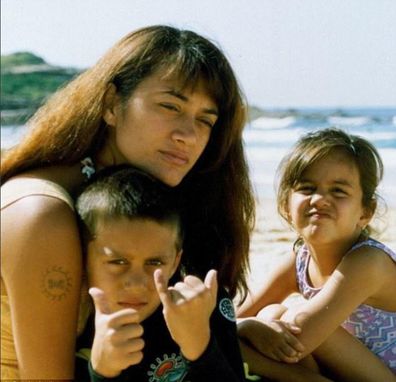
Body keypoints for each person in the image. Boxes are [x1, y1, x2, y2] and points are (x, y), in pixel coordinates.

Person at [0, 25, 255, 380]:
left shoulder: (139, 203)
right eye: (170, 106)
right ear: (110, 105)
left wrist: (236, 334)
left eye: (205, 120)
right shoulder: (41, 213)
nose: (188, 135)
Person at [237, 128, 396, 381]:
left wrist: (250, 329)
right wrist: (246, 326)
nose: (319, 200)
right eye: (307, 188)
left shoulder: (368, 262)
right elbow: (235, 318)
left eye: (338, 191)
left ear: (366, 211)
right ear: (285, 207)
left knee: (282, 318)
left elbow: (299, 338)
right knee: (270, 315)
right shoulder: (299, 261)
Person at [72, 165, 246, 381]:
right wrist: (101, 371)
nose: (136, 283)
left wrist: (199, 344)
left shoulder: (202, 307)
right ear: (82, 259)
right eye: (118, 261)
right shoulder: (69, 323)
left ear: (175, 262)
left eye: (154, 262)